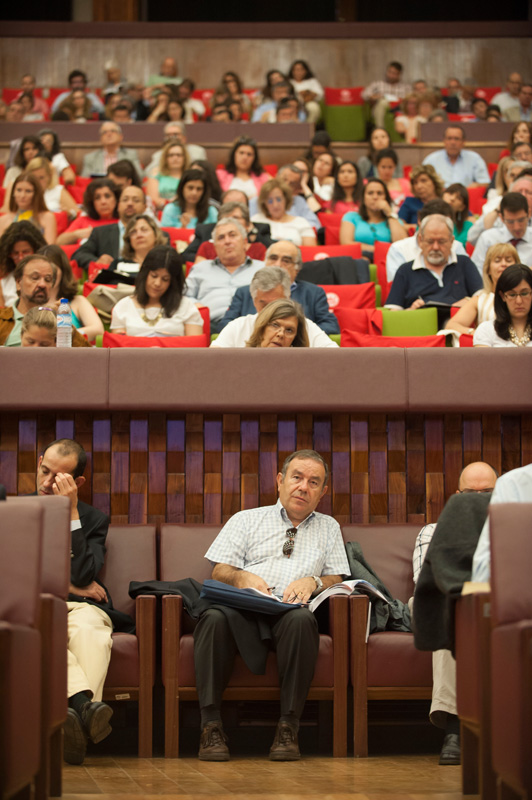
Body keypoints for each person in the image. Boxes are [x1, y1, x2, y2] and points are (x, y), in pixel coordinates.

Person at [193, 448, 349, 761]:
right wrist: (242, 578)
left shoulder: (329, 526)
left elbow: (335, 577)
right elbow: (219, 571)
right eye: (297, 478)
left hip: (289, 611)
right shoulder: (246, 519)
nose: (303, 486)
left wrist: (313, 581)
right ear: (280, 481)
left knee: (304, 621)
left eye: (314, 482)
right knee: (212, 619)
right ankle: (210, 726)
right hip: (242, 607)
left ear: (323, 492)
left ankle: (288, 727)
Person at [33, 438, 133, 765]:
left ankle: (71, 726)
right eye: (44, 471)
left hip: (82, 610)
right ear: (38, 464)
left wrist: (72, 512)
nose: (48, 483)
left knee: (91, 632)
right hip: (32, 606)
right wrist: (70, 586)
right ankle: (82, 711)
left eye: (58, 478)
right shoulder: (11, 511)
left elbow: (85, 571)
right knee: (43, 628)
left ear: (77, 483)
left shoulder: (92, 519)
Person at [412, 461, 498, 765]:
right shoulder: (432, 532)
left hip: (499, 600)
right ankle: (455, 726)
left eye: (487, 494)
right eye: (469, 496)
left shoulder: (514, 529)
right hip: (442, 600)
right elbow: (428, 585)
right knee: (450, 609)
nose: (477, 502)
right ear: (455, 495)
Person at [218, 241, 339, 335]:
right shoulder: (243, 292)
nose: (278, 264)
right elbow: (225, 325)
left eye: (286, 260)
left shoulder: (313, 293)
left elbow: (330, 326)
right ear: (265, 262)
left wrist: (293, 332)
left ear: (297, 268)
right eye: (273, 258)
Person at [213, 264, 338, 348]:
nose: (270, 311)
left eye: (275, 304)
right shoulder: (238, 326)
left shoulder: (306, 326)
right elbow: (210, 362)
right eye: (264, 304)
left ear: (288, 298)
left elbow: (338, 359)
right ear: (254, 301)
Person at [384, 214, 483, 312]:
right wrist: (410, 312)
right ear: (420, 240)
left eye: (441, 241)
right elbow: (394, 313)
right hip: (420, 324)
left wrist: (470, 301)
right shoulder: (405, 271)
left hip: (458, 323)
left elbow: (483, 298)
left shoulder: (464, 263)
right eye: (430, 241)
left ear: (452, 241)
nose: (435, 247)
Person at [185, 217, 265, 333]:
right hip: (210, 326)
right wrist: (194, 304)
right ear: (215, 246)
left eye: (232, 235)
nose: (227, 241)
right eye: (221, 238)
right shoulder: (200, 268)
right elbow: (182, 296)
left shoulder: (262, 268)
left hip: (254, 326)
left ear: (245, 242)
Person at [110, 246, 203, 337]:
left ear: (173, 282)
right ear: (144, 274)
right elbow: (117, 348)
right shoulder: (123, 306)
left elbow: (196, 349)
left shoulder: (186, 307)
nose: (157, 283)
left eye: (165, 279)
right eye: (154, 276)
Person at [0, 255, 88, 347]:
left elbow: (86, 358)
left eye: (48, 279)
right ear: (18, 283)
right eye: (35, 278)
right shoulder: (2, 319)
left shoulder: (57, 320)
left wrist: (66, 327)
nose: (42, 284)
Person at [472, 461, 532, 584]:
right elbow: (482, 576)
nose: (478, 499)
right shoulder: (513, 484)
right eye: (469, 493)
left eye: (487, 492)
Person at [445, 243, 519, 337]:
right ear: (488, 269)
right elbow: (451, 326)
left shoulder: (527, 297)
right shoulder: (479, 299)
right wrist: (475, 333)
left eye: (508, 260)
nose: (503, 264)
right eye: (497, 260)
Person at [386, 201, 468, 283]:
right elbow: (397, 286)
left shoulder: (456, 246)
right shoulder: (399, 249)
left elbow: (467, 281)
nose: (436, 247)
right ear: (419, 220)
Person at [72, 186, 150, 270]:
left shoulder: (156, 234)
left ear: (144, 207)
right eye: (125, 200)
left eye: (136, 200)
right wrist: (98, 261)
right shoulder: (100, 233)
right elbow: (79, 254)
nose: (130, 203)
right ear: (118, 206)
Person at [40, 244, 104, 341]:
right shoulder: (28, 302)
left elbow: (98, 330)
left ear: (63, 270)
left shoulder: (78, 301)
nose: (49, 275)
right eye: (43, 271)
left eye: (53, 269)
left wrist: (64, 335)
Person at [183, 199, 273, 263]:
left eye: (235, 218)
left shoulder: (259, 244)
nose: (231, 222)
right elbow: (186, 256)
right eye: (226, 219)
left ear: (248, 224)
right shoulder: (206, 244)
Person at [340, 178, 407, 257]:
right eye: (370, 193)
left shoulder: (394, 220)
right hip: (358, 259)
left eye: (379, 193)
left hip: (386, 261)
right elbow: (346, 243)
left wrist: (389, 213)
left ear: (386, 198)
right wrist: (377, 250)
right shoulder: (351, 217)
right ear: (363, 198)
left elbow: (402, 246)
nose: (375, 197)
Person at [473, 264, 532, 348]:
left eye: (524, 293)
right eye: (512, 295)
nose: (519, 301)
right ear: (502, 296)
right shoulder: (486, 330)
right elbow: (484, 361)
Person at [471, 192, 532, 271]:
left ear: (529, 214)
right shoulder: (488, 238)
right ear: (501, 218)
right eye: (510, 221)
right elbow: (476, 272)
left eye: (521, 220)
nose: (516, 227)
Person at [251, 179, 317, 246]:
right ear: (264, 203)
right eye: (270, 201)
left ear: (286, 199)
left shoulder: (301, 222)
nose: (275, 205)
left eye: (279, 199)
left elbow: (310, 251)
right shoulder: (255, 220)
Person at [422, 126, 490, 189]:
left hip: (465, 197)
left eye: (456, 139)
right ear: (444, 141)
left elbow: (485, 182)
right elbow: (421, 182)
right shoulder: (431, 160)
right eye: (449, 138)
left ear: (463, 142)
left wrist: (475, 186)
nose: (453, 142)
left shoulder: (475, 159)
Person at [57, 179, 119, 246]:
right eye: (97, 198)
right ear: (92, 203)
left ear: (116, 199)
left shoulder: (122, 221)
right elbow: (59, 242)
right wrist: (76, 234)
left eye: (107, 196)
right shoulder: (83, 220)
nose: (103, 202)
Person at [106, 214, 167, 281]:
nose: (139, 235)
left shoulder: (166, 264)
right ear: (129, 240)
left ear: (156, 235)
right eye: (133, 232)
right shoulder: (117, 264)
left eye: (144, 230)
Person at [0, 221, 47, 308]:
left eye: (26, 252)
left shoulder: (47, 279)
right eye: (16, 253)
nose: (21, 257)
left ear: (36, 251)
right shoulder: (3, 282)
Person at [0, 173, 56, 244]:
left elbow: (49, 249)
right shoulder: (2, 220)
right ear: (13, 193)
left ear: (36, 194)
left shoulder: (48, 217)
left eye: (28, 191)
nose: (22, 195)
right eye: (19, 190)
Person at [362, 61, 411, 129]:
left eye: (394, 73)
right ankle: (380, 130)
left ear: (399, 74)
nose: (390, 75)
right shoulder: (378, 84)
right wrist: (375, 96)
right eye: (389, 72)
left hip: (399, 107)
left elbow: (411, 99)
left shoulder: (406, 87)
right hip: (381, 107)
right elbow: (364, 94)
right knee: (382, 102)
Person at [244, 298, 309, 347]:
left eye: (289, 330)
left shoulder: (303, 364)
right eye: (275, 325)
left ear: (295, 339)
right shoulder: (241, 360)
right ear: (261, 328)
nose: (281, 334)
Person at [146, 141, 188, 211]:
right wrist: (170, 204)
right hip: (161, 211)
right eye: (171, 155)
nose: (175, 158)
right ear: (165, 158)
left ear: (185, 157)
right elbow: (152, 199)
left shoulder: (189, 175)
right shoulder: (156, 173)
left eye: (179, 155)